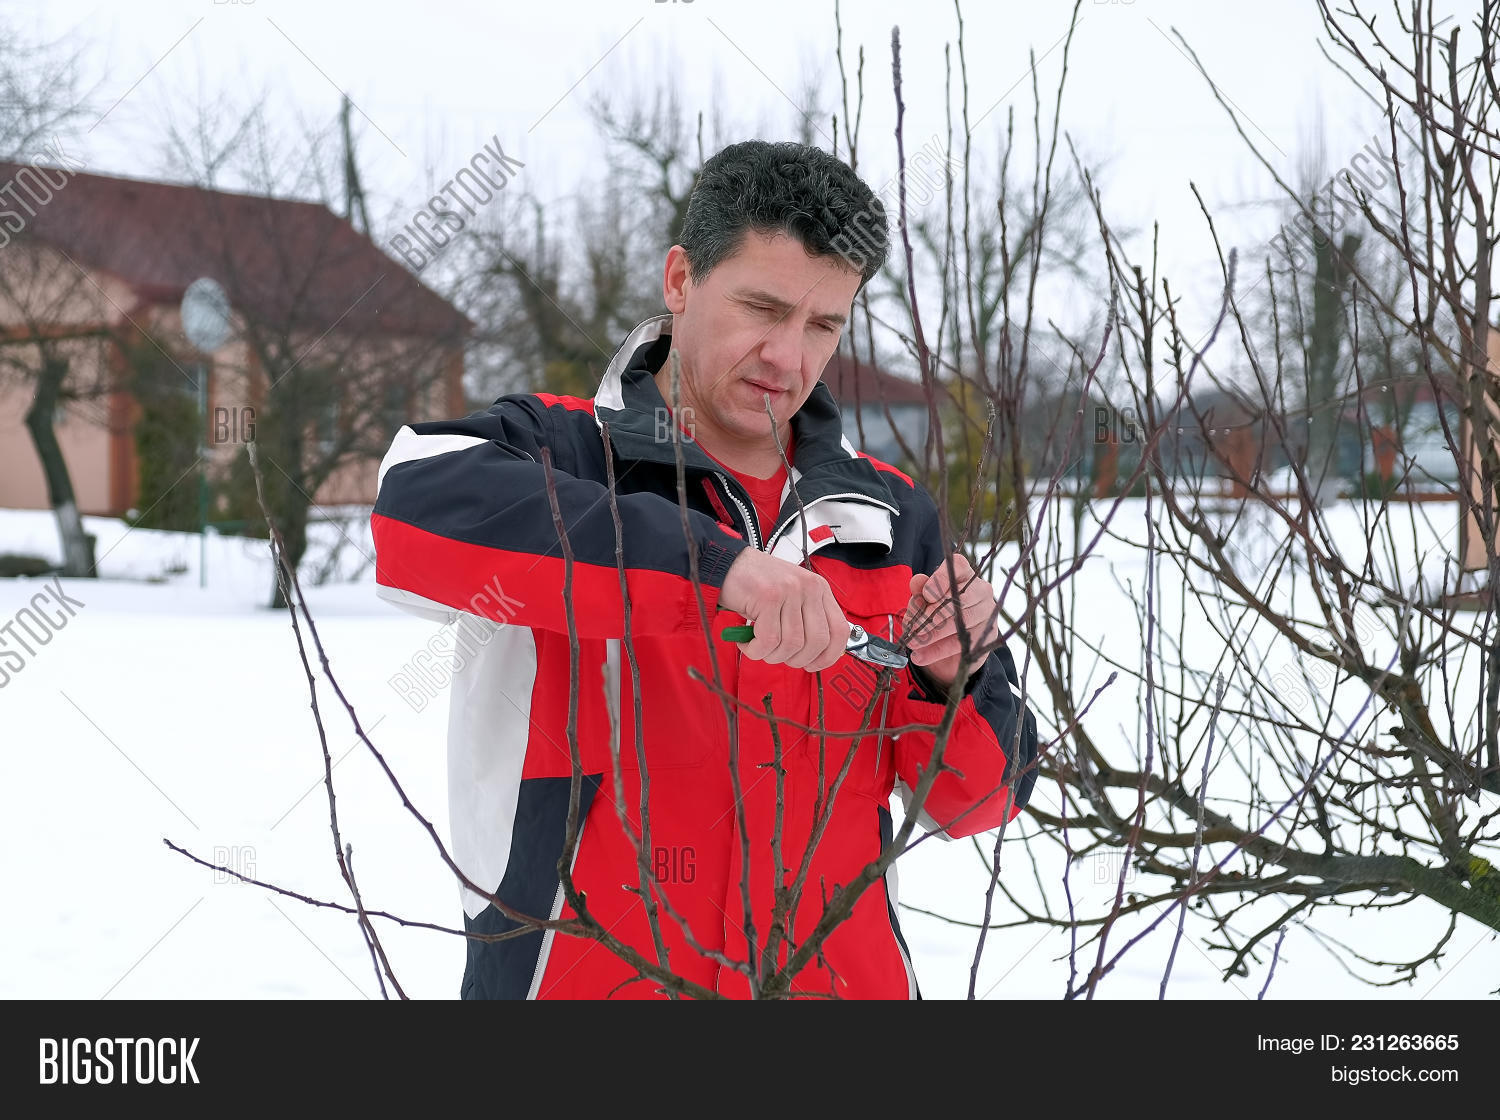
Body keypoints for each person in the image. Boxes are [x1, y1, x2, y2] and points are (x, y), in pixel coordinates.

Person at [371, 139, 1039, 1000]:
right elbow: (410, 505)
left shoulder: (889, 517)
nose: (789, 357)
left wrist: (955, 680)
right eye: (762, 308)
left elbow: (977, 803)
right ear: (681, 279)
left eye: (824, 325)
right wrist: (715, 567)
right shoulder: (560, 452)